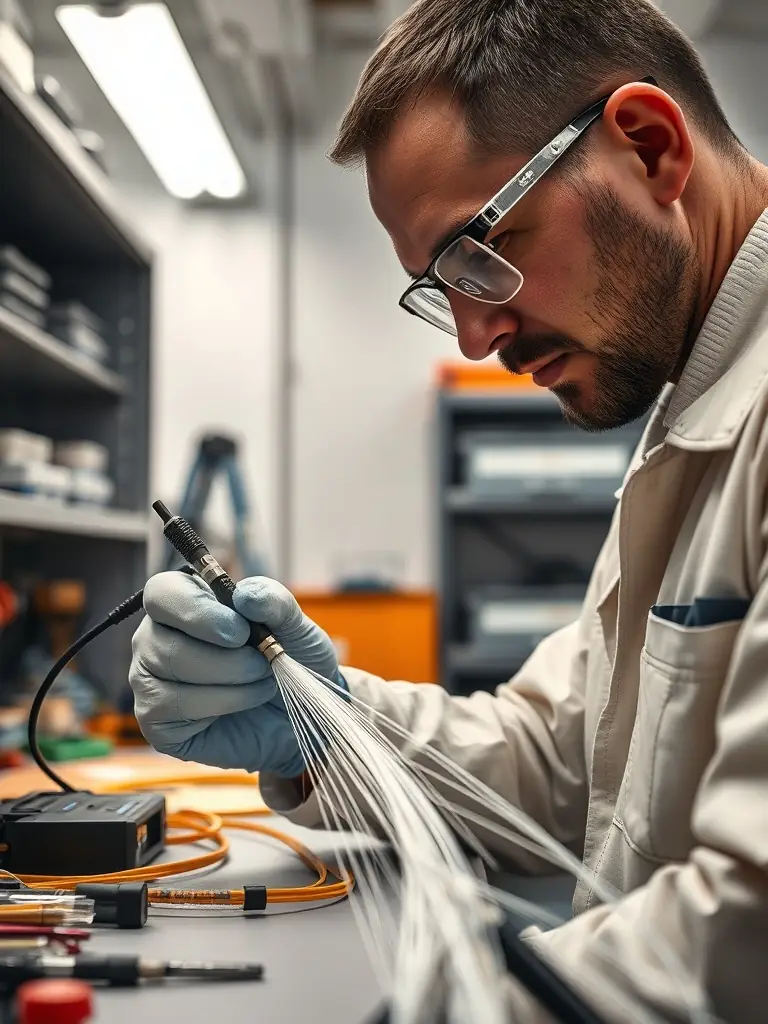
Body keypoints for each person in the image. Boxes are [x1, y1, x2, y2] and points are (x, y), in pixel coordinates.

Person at [129, 1, 768, 1020]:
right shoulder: (691, 392)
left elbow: (748, 927)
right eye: (441, 286)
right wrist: (320, 726)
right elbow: (559, 755)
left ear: (650, 147)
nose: (475, 337)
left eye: (479, 249)